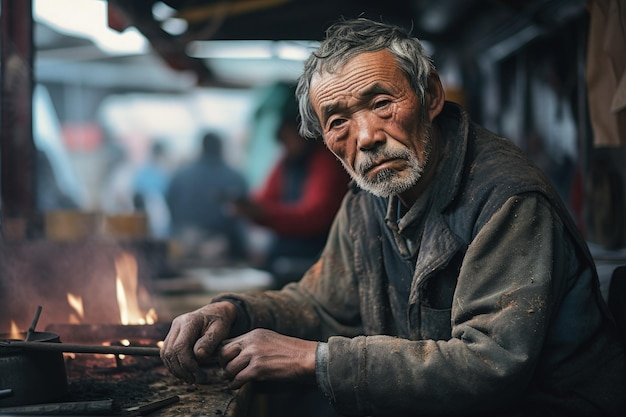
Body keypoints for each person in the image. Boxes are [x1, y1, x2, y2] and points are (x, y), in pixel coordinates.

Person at [160, 18, 626, 416]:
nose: (365, 138)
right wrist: (235, 311)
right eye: (338, 121)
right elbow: (322, 303)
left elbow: (490, 366)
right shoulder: (370, 197)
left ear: (431, 96)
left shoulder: (506, 200)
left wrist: (315, 360)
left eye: (382, 103)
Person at [232, 104, 351, 288]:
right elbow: (264, 198)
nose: (285, 147)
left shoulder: (326, 160)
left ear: (304, 133)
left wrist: (262, 213)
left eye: (288, 139)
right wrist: (250, 207)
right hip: (285, 255)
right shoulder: (287, 161)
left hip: (316, 259)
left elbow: (314, 216)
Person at [166, 131, 248, 263]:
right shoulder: (235, 177)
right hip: (224, 251)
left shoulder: (179, 177)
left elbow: (170, 207)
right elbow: (243, 214)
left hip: (186, 247)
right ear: (221, 148)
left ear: (201, 147)